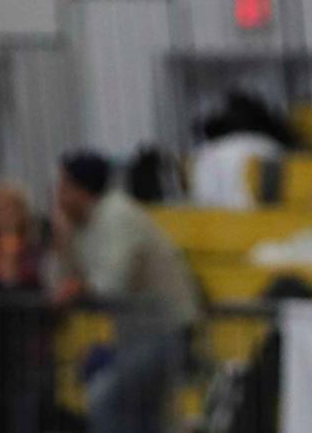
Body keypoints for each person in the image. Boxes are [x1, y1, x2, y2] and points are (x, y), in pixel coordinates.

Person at [51, 150, 201, 433]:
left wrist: (77, 288)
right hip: (134, 336)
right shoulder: (81, 225)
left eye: (63, 187)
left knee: (104, 398)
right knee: (146, 420)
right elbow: (63, 281)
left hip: (167, 330)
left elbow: (111, 284)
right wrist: (63, 244)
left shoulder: (116, 214)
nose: (57, 196)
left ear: (80, 189)